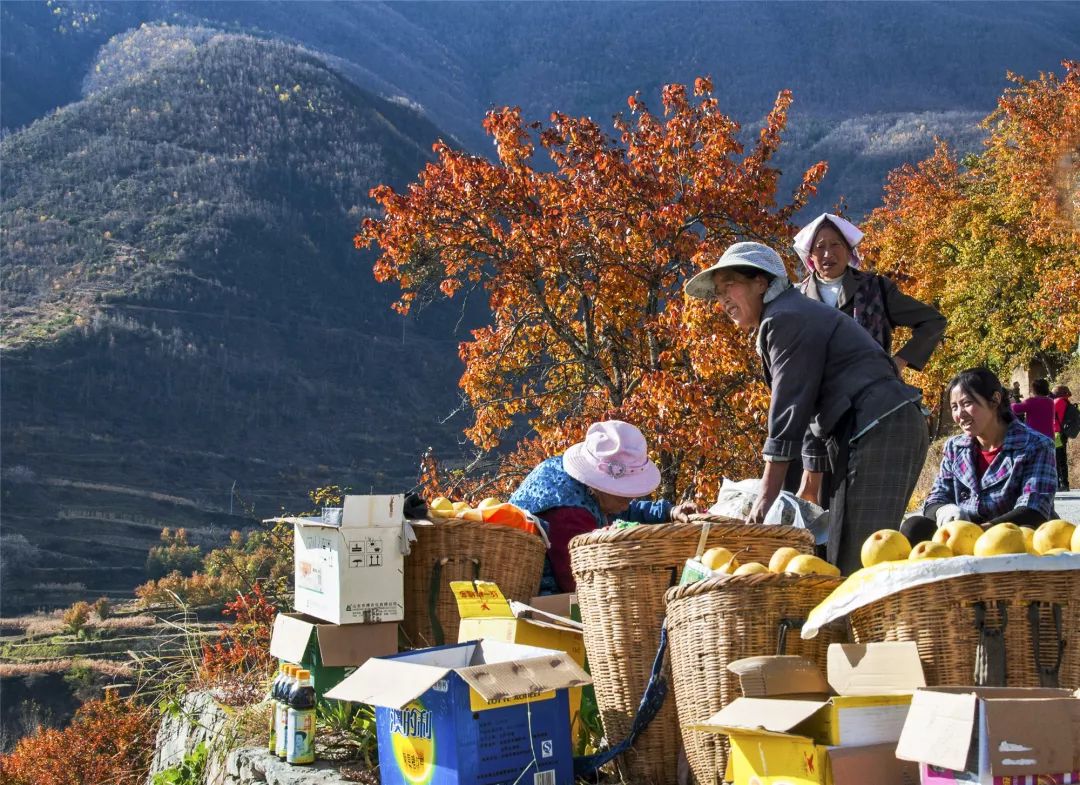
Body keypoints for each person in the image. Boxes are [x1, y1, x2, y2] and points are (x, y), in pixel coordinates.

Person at [684, 241, 929, 574]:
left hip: (880, 426)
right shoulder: (789, 314)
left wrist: (765, 499)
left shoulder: (784, 319)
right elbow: (812, 409)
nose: (723, 298)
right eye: (718, 292)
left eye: (731, 286)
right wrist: (808, 485)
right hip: (877, 428)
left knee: (858, 561)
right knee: (845, 557)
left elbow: (789, 410)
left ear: (762, 283)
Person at [508, 420, 691, 593]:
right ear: (600, 486)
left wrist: (667, 511)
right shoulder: (569, 514)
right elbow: (580, 582)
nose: (628, 500)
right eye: (624, 496)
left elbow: (624, 512)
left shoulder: (583, 487)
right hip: (540, 599)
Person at [900, 368, 1057, 543]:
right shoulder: (955, 447)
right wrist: (944, 511)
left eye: (967, 403)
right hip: (962, 537)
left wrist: (977, 533)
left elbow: (1034, 509)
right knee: (914, 527)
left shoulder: (1035, 445)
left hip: (1014, 539)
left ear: (995, 399)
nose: (960, 414)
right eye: (954, 407)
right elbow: (936, 498)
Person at [793, 214, 946, 373]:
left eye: (835, 244)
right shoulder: (797, 297)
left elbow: (933, 321)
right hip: (817, 394)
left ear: (848, 251)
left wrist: (899, 362)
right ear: (810, 255)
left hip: (871, 391)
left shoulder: (876, 289)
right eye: (820, 247)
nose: (827, 254)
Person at [1053, 384, 1073, 490]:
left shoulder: (1057, 401)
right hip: (1062, 433)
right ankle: (1064, 483)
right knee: (1062, 458)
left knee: (1057, 459)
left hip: (1057, 433)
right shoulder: (1066, 401)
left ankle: (1061, 484)